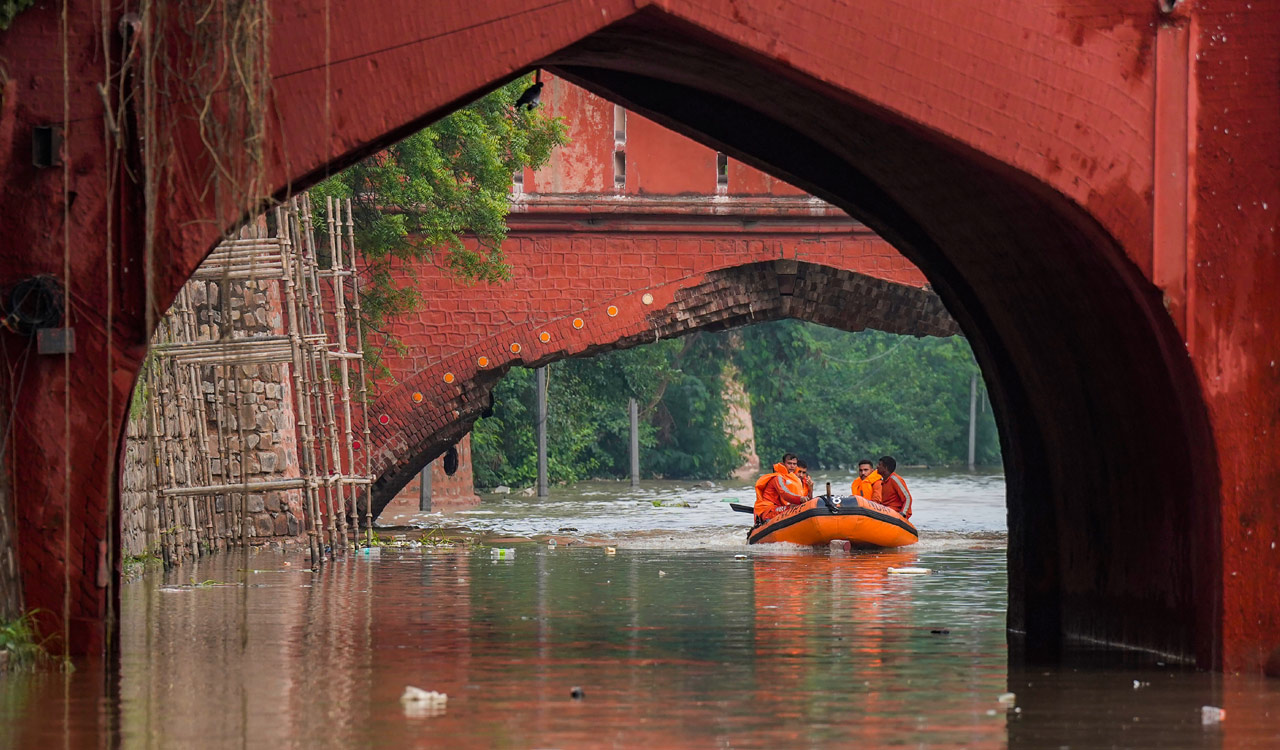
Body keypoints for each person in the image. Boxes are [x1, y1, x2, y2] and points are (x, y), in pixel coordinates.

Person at [753, 453, 810, 522]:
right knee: (794, 507)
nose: (792, 466)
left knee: (796, 506)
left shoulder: (792, 478)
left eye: (794, 464)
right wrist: (800, 499)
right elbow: (784, 493)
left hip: (777, 508)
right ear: (783, 464)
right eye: (789, 463)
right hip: (768, 509)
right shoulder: (778, 477)